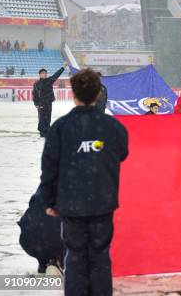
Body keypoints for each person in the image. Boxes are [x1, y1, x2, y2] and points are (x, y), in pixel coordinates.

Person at [39, 68, 129, 296]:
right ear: (99, 93)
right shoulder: (113, 126)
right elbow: (122, 154)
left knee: (76, 256)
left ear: (74, 94)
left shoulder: (60, 127)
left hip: (71, 203)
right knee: (100, 255)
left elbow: (49, 168)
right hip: (102, 201)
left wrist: (49, 201)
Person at [18, 190, 64, 275]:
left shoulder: (42, 189)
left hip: (29, 242)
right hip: (56, 242)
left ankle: (43, 266)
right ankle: (57, 264)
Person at [32, 61, 68, 137]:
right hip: (41, 104)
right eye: (43, 73)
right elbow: (34, 94)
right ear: (40, 74)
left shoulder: (49, 80)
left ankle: (47, 131)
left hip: (48, 103)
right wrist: (36, 104)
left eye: (46, 73)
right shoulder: (36, 83)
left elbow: (56, 75)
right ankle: (42, 133)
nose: (45, 74)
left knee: (48, 118)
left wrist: (63, 67)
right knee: (41, 119)